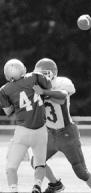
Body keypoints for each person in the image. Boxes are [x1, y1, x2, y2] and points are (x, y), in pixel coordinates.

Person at [31, 58, 91, 193]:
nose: (42, 77)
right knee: (36, 162)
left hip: (67, 133)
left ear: (53, 74)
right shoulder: (34, 88)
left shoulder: (61, 83)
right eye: (39, 74)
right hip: (49, 134)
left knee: (81, 171)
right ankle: (55, 184)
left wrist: (44, 93)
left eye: (44, 74)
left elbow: (62, 97)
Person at [0, 59, 52, 193]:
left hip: (23, 131)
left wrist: (16, 100)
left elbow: (8, 111)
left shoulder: (4, 90)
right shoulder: (34, 76)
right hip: (40, 129)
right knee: (40, 163)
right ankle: (37, 185)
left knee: (11, 167)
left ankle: (13, 189)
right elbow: (48, 88)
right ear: (22, 69)